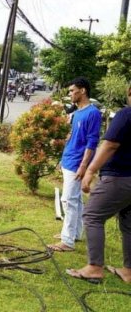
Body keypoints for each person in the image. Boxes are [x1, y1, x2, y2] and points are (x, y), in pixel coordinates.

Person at [65, 83, 131, 283]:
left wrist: (90, 170)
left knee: (92, 215)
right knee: (129, 224)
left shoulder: (126, 114)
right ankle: (128, 271)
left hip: (119, 177)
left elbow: (109, 144)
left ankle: (94, 267)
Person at [49, 78, 102, 252]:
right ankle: (75, 233)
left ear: (83, 91)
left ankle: (67, 241)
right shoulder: (77, 112)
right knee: (76, 201)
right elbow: (74, 136)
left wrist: (83, 166)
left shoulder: (92, 113)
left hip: (77, 163)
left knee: (68, 200)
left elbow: (92, 142)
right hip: (69, 160)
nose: (70, 94)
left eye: (72, 91)